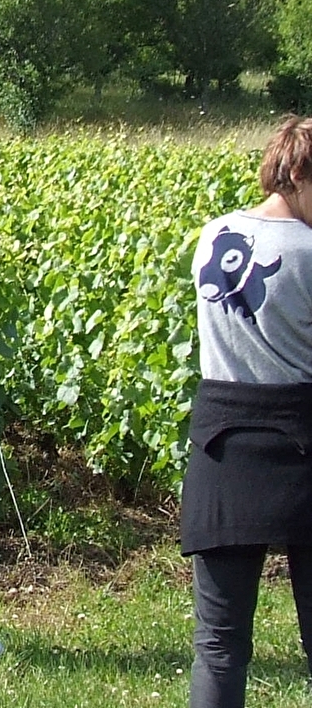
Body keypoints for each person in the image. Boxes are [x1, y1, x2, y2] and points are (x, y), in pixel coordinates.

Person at [184, 115, 312, 708]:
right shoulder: (309, 251)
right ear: (302, 175)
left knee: (219, 640)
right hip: (301, 439)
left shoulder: (213, 234)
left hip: (221, 440)